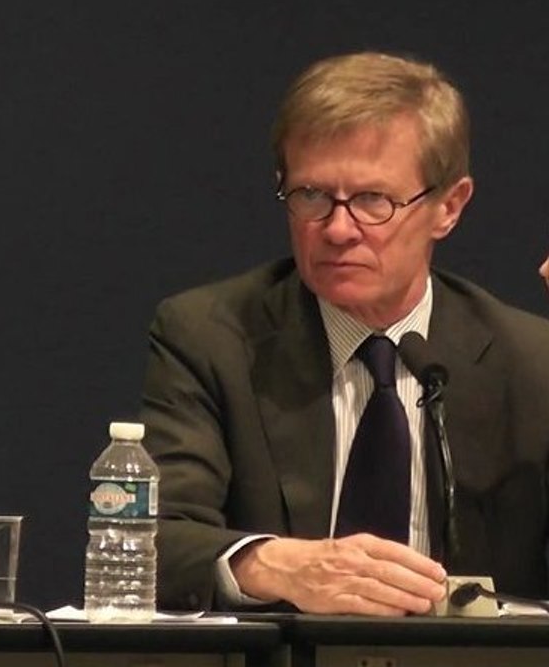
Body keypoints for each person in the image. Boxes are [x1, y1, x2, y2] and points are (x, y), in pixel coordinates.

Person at [140, 51, 549, 616]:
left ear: (448, 207)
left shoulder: (532, 362)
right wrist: (274, 564)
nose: (336, 229)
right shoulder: (213, 337)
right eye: (311, 196)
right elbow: (147, 540)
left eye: (371, 201)